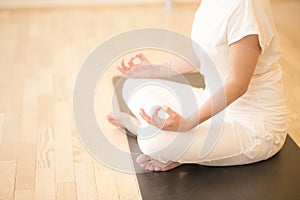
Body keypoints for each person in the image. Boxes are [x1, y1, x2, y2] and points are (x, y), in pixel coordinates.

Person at [106, 0, 288, 172]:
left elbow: (238, 83)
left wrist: (188, 123)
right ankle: (177, 146)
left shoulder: (244, 6)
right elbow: (202, 51)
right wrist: (156, 70)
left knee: (152, 143)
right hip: (212, 101)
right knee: (133, 85)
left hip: (252, 127)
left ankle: (144, 130)